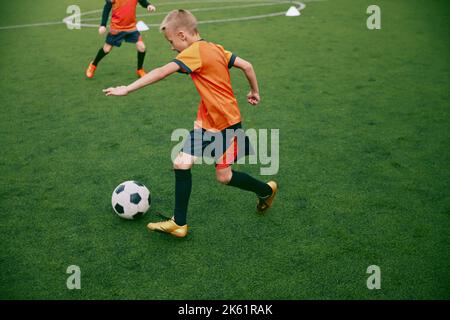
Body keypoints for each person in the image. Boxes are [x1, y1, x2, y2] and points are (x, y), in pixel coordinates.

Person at [103, 9, 278, 238]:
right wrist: (254, 91)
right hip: (208, 121)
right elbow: (247, 65)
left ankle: (266, 191)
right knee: (182, 163)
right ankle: (179, 223)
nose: (172, 47)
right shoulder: (215, 48)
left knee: (224, 176)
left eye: (171, 41)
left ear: (183, 35)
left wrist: (127, 88)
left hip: (225, 123)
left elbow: (162, 71)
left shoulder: (194, 52)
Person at [86, 0, 156, 78]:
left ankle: (140, 69)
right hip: (117, 28)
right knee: (106, 49)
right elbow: (107, 8)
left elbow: (142, 1)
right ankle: (93, 65)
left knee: (142, 47)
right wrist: (103, 25)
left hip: (131, 27)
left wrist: (148, 5)